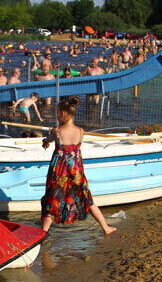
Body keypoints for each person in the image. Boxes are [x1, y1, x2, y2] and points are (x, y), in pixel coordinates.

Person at [41, 97, 116, 235]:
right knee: (87, 197)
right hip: (76, 171)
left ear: (62, 114)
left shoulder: (56, 132)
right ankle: (106, 227)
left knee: (53, 200)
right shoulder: (81, 131)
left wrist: (45, 141)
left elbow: (49, 139)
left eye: (57, 114)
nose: (57, 116)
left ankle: (42, 233)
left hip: (59, 172)